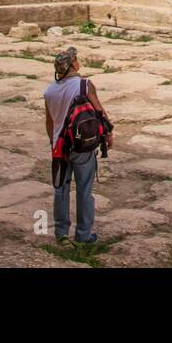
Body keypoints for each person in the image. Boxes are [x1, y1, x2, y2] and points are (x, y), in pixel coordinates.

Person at [44, 46, 113, 244]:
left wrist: (53, 143)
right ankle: (83, 235)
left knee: (61, 189)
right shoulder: (84, 84)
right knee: (84, 190)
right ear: (74, 64)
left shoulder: (49, 91)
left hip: (60, 145)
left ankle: (62, 234)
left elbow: (49, 123)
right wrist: (108, 132)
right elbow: (98, 110)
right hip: (82, 144)